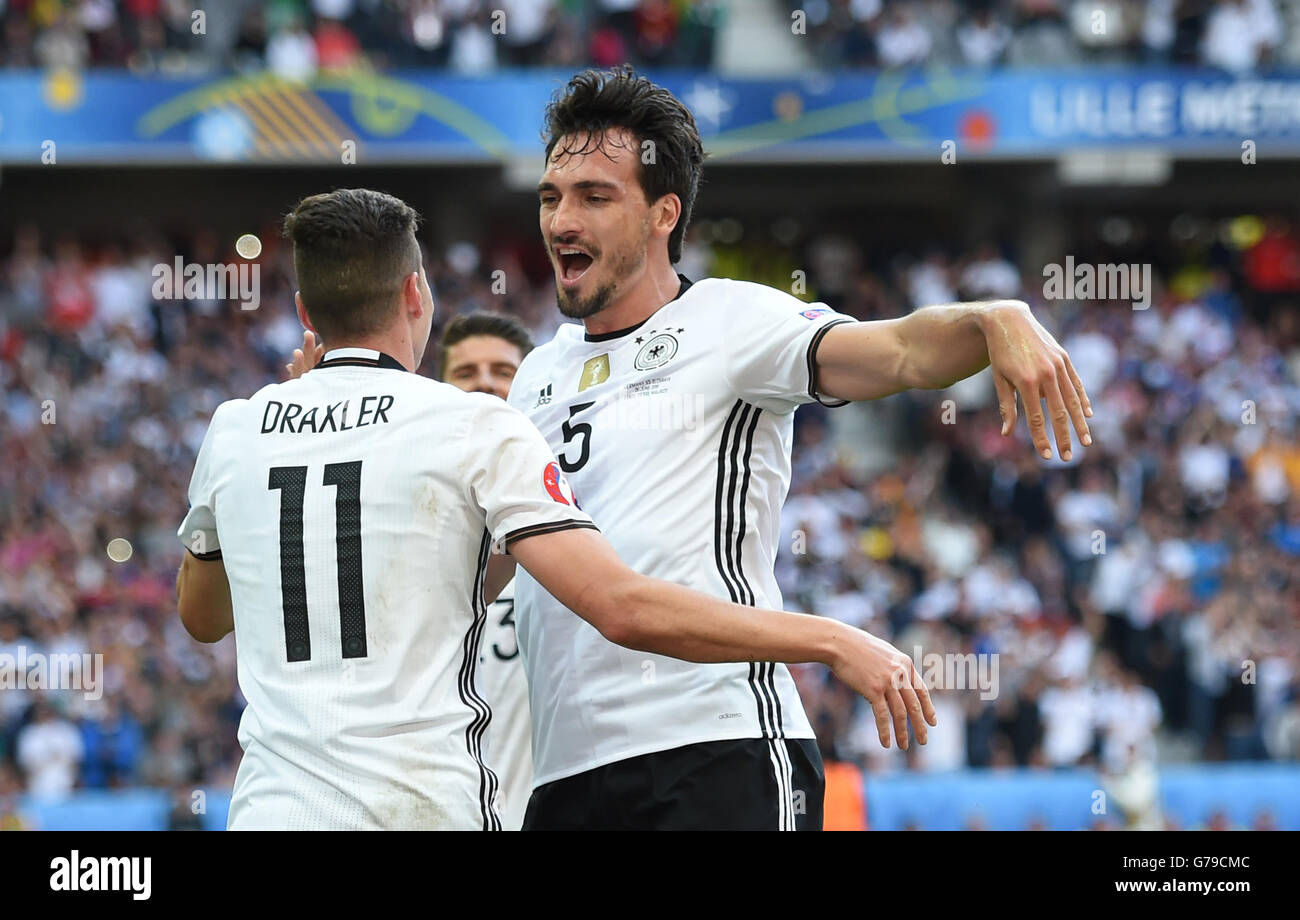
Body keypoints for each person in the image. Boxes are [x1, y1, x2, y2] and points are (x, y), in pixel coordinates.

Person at [179, 187, 935, 831]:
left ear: (306, 309)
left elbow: (203, 616)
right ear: (417, 294)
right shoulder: (472, 425)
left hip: (272, 808)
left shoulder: (235, 430)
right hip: (422, 804)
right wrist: (830, 639)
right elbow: (618, 604)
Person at [502, 66, 1092, 830]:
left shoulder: (732, 320)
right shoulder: (534, 376)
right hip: (566, 776)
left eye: (594, 197)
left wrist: (994, 316)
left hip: (715, 749)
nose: (561, 221)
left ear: (662, 215)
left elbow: (904, 354)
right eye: (552, 197)